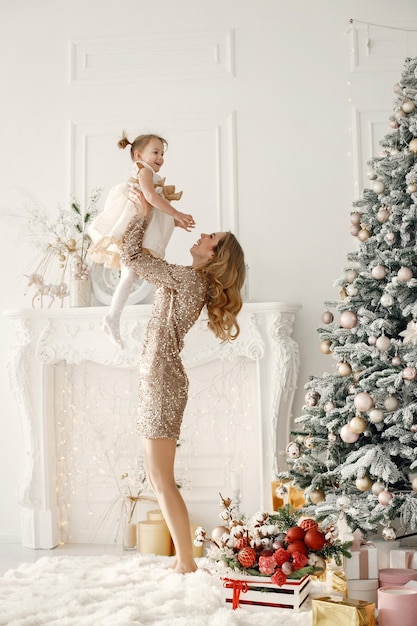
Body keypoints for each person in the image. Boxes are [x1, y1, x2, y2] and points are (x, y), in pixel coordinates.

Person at [120, 192, 246, 574]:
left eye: (210, 237)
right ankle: (185, 562)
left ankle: (187, 563)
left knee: (162, 479)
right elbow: (148, 261)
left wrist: (144, 214)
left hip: (162, 380)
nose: (203, 235)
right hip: (158, 378)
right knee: (159, 480)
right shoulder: (190, 279)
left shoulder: (190, 280)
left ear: (214, 255)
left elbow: (132, 257)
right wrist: (162, 220)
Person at [88, 131, 195, 348]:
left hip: (139, 230)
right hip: (133, 230)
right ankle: (113, 318)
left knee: (130, 277)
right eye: (155, 152)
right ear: (139, 155)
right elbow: (150, 198)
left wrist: (174, 221)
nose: (161, 158)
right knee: (130, 276)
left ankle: (113, 317)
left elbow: (154, 213)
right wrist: (177, 213)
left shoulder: (149, 174)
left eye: (163, 153)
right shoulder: (143, 171)